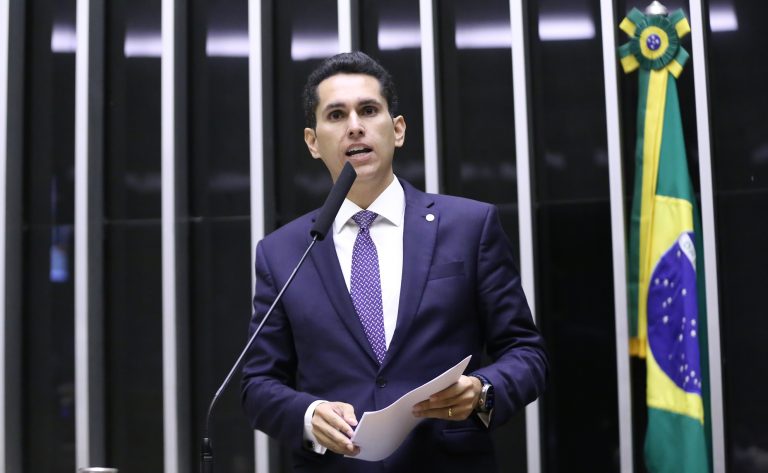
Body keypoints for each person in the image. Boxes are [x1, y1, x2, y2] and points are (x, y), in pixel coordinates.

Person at [241, 51, 548, 472]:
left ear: (397, 129)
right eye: (336, 115)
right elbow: (257, 384)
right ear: (312, 142)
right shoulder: (283, 252)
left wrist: (482, 390)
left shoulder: (469, 226)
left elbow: (526, 351)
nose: (354, 126)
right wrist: (309, 416)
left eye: (368, 110)